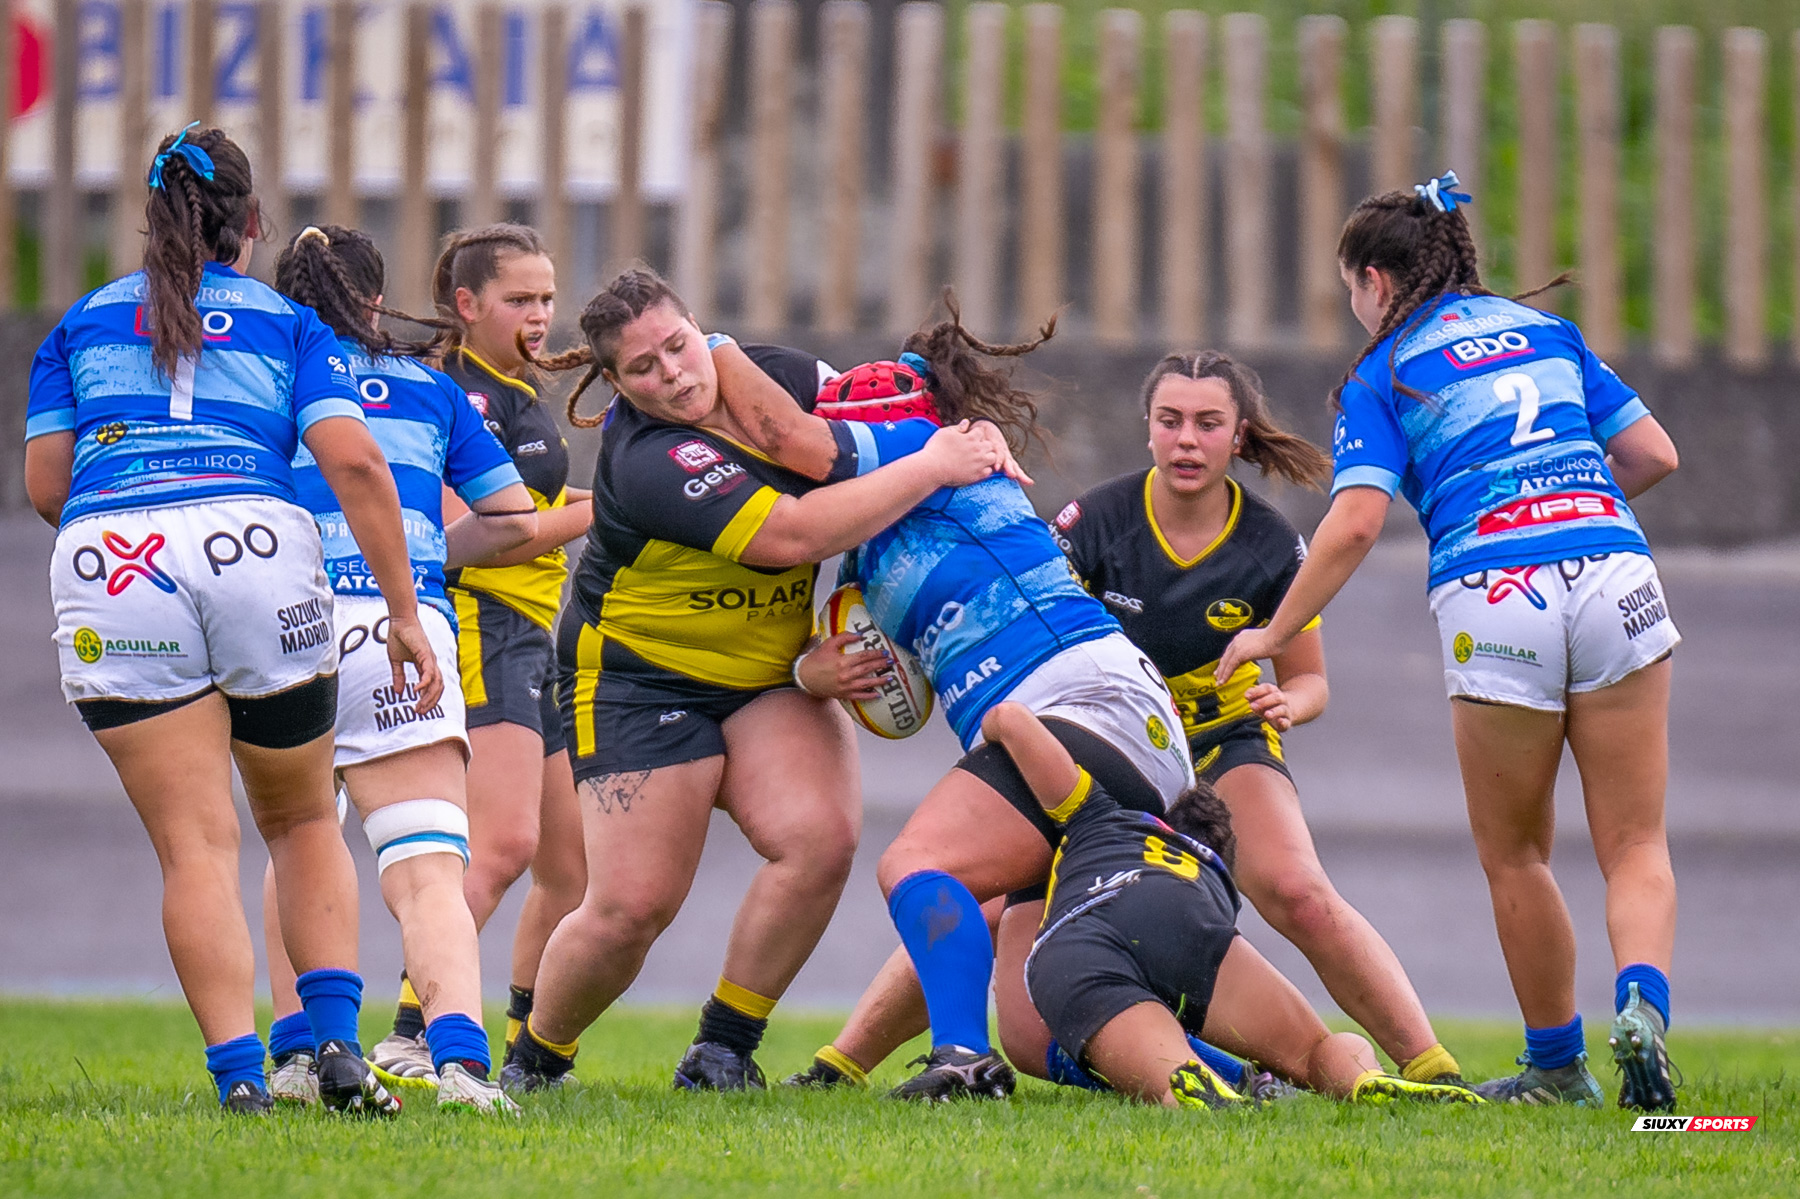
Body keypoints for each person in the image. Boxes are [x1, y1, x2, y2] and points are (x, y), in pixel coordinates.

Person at [1215, 171, 1682, 1111]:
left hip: (1494, 591)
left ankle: (1557, 1065)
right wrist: (1569, 511)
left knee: (1518, 851)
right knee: (1634, 840)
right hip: (1612, 568)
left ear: (1378, 283)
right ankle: (1643, 1003)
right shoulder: (1550, 333)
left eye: (1351, 291)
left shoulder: (1383, 371)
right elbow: (1653, 455)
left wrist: (1275, 628)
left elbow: (1352, 523)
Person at [499, 270, 1018, 1093]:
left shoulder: (780, 377)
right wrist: (936, 461)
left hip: (769, 672)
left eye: (676, 346)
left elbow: (889, 416)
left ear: (698, 328)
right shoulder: (647, 460)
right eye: (642, 368)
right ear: (616, 383)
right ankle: (536, 1059)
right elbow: (796, 533)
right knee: (631, 908)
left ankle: (723, 1049)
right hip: (641, 678)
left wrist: (975, 437)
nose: (670, 373)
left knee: (819, 839)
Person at [681, 304, 1205, 1101]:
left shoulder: (927, 449)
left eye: (845, 438)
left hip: (1079, 698)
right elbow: (903, 695)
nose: (835, 459)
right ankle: (1235, 1076)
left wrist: (707, 344)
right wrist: (810, 675)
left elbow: (791, 440)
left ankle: (959, 1056)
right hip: (1090, 720)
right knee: (1035, 1026)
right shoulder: (869, 542)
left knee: (917, 863)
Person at [22, 125, 437, 1114]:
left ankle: (240, 1078)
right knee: (298, 818)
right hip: (254, 544)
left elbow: (48, 486)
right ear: (250, 226)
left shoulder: (78, 323)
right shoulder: (286, 325)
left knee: (195, 845)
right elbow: (356, 463)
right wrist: (404, 611)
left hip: (112, 553)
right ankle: (338, 1053)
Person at [1045, 350, 1467, 1090]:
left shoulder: (1273, 544)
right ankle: (849, 1060)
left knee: (1297, 889)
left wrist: (1286, 703)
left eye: (1209, 424)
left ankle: (1433, 1068)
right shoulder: (1092, 521)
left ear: (1238, 437)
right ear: (1147, 430)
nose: (1186, 440)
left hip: (1222, 736)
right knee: (990, 880)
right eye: (1170, 421)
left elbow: (1310, 684)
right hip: (1112, 744)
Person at [257, 224, 538, 1114]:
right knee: (426, 866)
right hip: (396, 624)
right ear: (376, 300)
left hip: (286, 621)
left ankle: (298, 1058)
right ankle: (459, 1063)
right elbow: (515, 519)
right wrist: (424, 555)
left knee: (299, 841)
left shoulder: (268, 379)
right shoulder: (429, 387)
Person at [980, 701, 1481, 1108]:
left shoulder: (1102, 815)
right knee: (1313, 1051)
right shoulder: (1213, 874)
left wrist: (993, 723)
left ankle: (1187, 1079)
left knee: (1170, 1071)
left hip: (1072, 946)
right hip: (1180, 915)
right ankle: (1361, 1077)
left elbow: (1015, 718)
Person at [369, 223, 591, 1083]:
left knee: (570, 869)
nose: (540, 314)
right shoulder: (452, 392)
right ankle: (410, 1028)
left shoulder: (516, 388)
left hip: (536, 634)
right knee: (499, 845)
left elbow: (535, 497)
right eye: (519, 300)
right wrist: (604, 509)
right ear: (466, 305)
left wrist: (587, 498)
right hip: (484, 622)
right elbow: (478, 536)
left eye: (545, 297)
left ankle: (530, 1052)